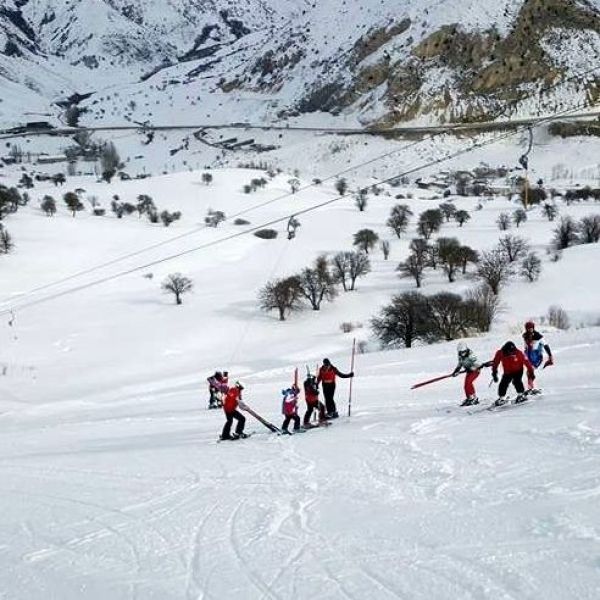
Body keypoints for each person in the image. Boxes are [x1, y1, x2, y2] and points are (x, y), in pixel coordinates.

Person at [491, 341, 535, 406]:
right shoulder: (500, 352)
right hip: (507, 372)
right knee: (503, 383)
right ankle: (501, 398)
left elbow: (527, 363)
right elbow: (495, 362)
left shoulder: (519, 353)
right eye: (507, 352)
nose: (509, 353)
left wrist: (531, 373)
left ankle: (521, 395)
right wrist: (494, 373)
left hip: (518, 370)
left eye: (510, 352)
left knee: (517, 381)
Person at [522, 321, 553, 390]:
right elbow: (526, 346)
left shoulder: (538, 336)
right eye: (528, 328)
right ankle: (531, 387)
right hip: (528, 355)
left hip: (536, 356)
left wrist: (550, 355)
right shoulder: (525, 336)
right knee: (528, 371)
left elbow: (546, 345)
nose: (530, 330)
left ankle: (531, 387)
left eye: (531, 328)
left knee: (530, 371)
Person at [452, 342, 484, 406]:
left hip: (475, 370)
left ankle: (473, 398)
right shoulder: (460, 355)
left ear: (466, 350)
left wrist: (471, 368)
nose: (462, 353)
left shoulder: (471, 355)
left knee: (468, 383)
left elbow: (478, 364)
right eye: (460, 352)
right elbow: (460, 363)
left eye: (463, 352)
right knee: (466, 385)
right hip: (469, 371)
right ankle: (469, 398)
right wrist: (456, 370)